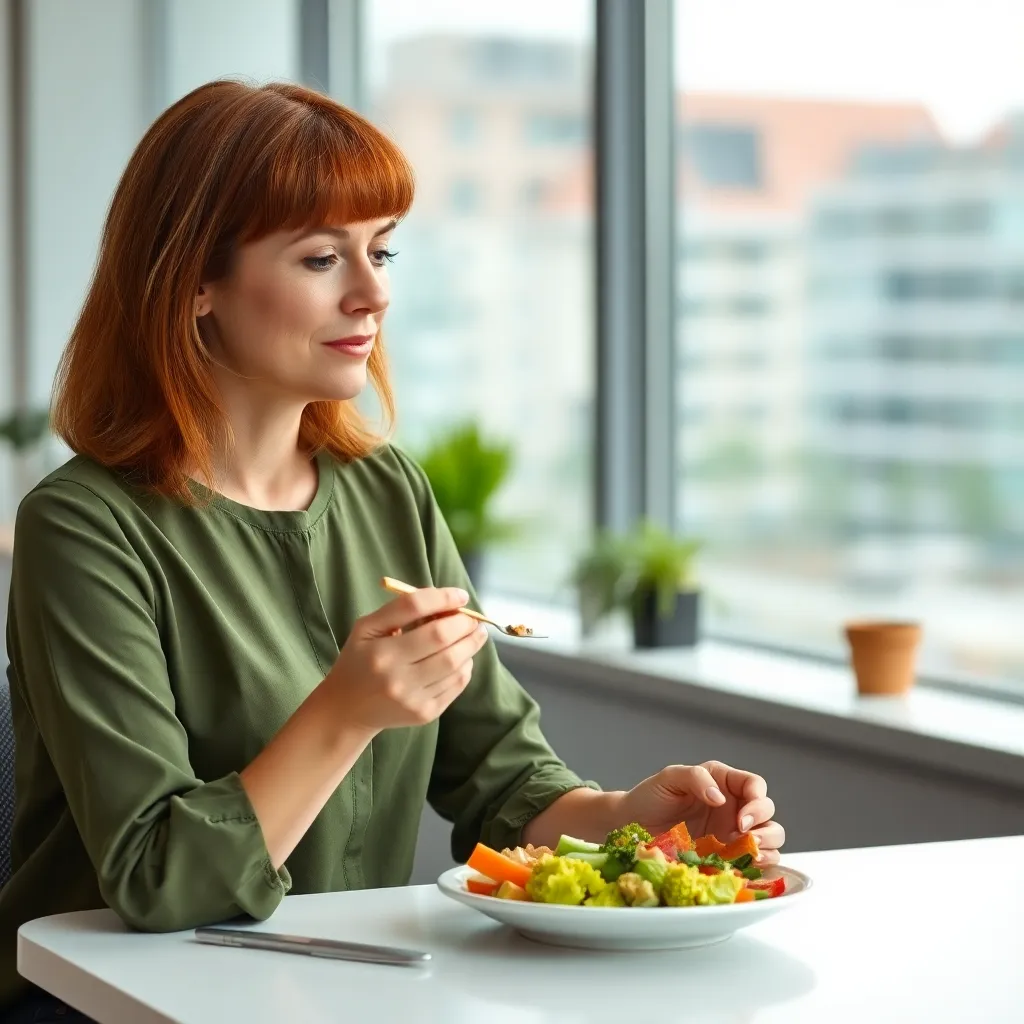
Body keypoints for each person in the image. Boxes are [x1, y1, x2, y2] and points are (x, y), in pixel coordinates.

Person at [0, 81, 785, 1022]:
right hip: (104, 1000)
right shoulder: (83, 528)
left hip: (330, 988)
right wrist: (346, 712)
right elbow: (155, 879)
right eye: (321, 257)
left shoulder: (387, 489)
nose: (373, 294)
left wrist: (634, 818)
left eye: (381, 251)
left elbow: (504, 782)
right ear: (195, 282)